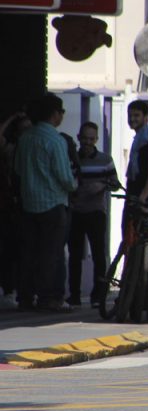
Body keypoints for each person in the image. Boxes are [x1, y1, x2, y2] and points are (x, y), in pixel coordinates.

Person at [13, 93, 77, 312]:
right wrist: (74, 186)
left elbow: (18, 170)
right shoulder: (55, 140)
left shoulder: (25, 138)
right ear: (55, 114)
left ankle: (25, 297)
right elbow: (64, 176)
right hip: (53, 203)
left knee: (28, 252)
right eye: (61, 112)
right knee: (53, 253)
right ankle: (50, 297)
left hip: (28, 203)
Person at [68, 122, 119, 308]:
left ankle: (98, 295)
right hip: (76, 212)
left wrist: (102, 186)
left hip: (97, 212)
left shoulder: (105, 160)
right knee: (75, 255)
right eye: (85, 138)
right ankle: (74, 295)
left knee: (99, 254)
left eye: (92, 139)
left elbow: (115, 183)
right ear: (79, 138)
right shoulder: (72, 159)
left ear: (96, 140)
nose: (88, 142)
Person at [0, 111, 30, 309]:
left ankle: (24, 291)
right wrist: (12, 118)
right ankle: (11, 289)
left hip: (30, 202)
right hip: (14, 203)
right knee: (10, 249)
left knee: (27, 250)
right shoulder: (12, 149)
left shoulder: (36, 147)